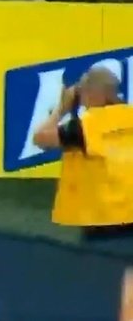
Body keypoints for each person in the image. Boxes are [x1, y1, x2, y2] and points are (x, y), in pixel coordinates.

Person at [33, 67, 133, 256]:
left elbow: (40, 139)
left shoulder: (87, 127)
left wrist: (61, 109)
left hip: (104, 224)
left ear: (91, 94)